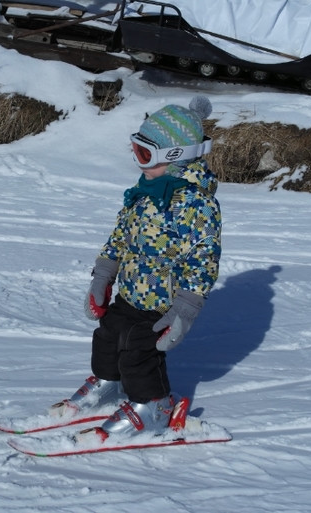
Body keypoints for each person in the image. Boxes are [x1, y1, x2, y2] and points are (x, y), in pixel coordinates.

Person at [49, 96, 222, 444]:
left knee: (140, 348)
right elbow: (119, 237)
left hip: (163, 300)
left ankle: (153, 405)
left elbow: (203, 259)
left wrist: (185, 310)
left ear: (175, 157)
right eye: (136, 149)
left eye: (145, 154)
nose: (137, 161)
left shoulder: (197, 204)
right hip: (130, 290)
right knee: (110, 333)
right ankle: (109, 383)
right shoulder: (142, 194)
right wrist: (103, 277)